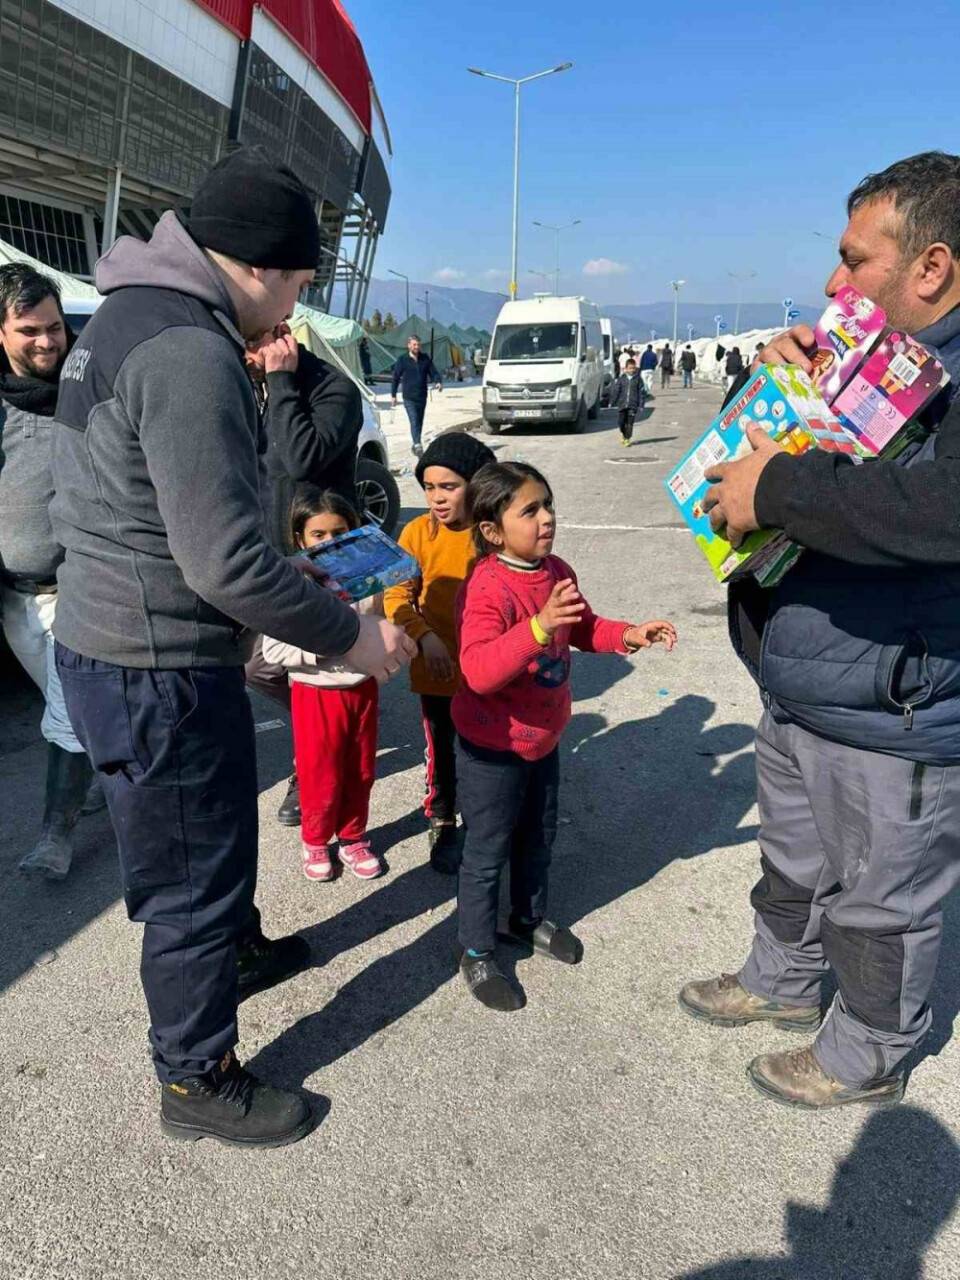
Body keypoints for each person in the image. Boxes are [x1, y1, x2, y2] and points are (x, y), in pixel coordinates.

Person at [51, 147, 416, 1148]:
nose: (296, 303)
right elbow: (218, 563)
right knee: (190, 879)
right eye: (298, 279)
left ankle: (234, 951)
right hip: (153, 662)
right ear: (255, 262)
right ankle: (196, 1075)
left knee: (210, 844)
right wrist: (355, 636)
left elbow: (155, 514)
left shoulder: (126, 316)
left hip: (122, 637)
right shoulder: (187, 348)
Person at [680, 150, 960, 1109]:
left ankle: (869, 1050)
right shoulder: (858, 362)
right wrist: (766, 393)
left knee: (884, 901)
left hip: (896, 705)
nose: (835, 283)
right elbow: (731, 482)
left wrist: (784, 488)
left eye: (856, 260)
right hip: (798, 681)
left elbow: (940, 510)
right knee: (793, 864)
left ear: (932, 267)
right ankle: (783, 984)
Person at [452, 461, 677, 1010]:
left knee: (538, 836)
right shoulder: (487, 587)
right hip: (492, 747)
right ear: (491, 530)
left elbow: (583, 626)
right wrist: (537, 628)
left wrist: (627, 634)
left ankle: (526, 920)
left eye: (548, 504)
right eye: (529, 510)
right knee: (486, 853)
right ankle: (476, 952)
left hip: (543, 739)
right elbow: (478, 671)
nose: (547, 518)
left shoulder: (556, 570)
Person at [0, 265, 102, 880]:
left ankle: (54, 838)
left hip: (83, 588)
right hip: (17, 599)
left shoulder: (88, 391)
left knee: (66, 709)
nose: (46, 342)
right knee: (68, 708)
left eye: (55, 328)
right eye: (28, 330)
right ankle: (94, 775)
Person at [243, 322, 363, 830]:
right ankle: (319, 735)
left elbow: (298, 458)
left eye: (251, 346)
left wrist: (283, 381)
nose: (245, 357)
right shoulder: (255, 389)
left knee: (322, 666)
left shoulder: (334, 390)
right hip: (276, 556)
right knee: (261, 668)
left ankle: (315, 762)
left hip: (331, 557)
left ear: (282, 336)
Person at [383, 432, 495, 872]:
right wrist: (425, 637)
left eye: (448, 486)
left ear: (477, 484)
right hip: (437, 674)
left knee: (484, 750)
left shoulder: (493, 532)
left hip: (488, 672)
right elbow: (396, 595)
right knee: (442, 751)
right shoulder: (415, 533)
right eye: (429, 487)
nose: (436, 498)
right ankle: (443, 817)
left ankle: (483, 818)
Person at [263, 489, 383, 884]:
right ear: (301, 539)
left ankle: (353, 836)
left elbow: (377, 626)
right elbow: (273, 648)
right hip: (315, 692)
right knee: (320, 772)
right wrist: (326, 650)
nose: (331, 542)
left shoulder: (367, 577)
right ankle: (315, 840)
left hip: (361, 690)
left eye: (340, 531)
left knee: (361, 769)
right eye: (319, 535)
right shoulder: (292, 586)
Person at [391, 335, 442, 458]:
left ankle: (416, 444)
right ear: (408, 345)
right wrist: (393, 395)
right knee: (414, 420)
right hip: (409, 397)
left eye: (418, 345)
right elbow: (396, 378)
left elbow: (433, 372)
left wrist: (438, 381)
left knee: (419, 421)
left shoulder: (425, 359)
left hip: (422, 396)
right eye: (414, 344)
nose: (417, 347)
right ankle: (418, 444)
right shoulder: (402, 360)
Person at [607, 355, 645, 445]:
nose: (632, 370)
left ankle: (627, 438)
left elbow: (641, 393)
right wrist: (611, 402)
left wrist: (641, 405)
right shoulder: (621, 379)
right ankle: (624, 434)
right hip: (622, 405)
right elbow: (616, 391)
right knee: (621, 423)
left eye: (633, 368)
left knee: (630, 423)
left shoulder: (638, 379)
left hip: (633, 405)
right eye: (630, 368)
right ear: (626, 369)